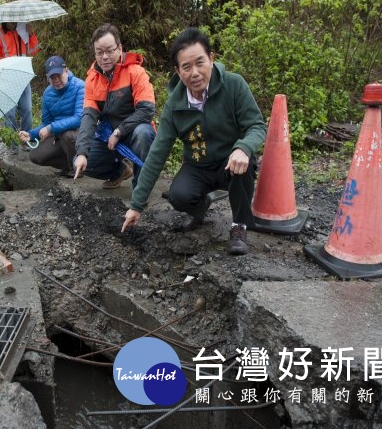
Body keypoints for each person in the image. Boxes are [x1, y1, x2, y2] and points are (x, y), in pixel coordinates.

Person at [121, 28, 266, 256]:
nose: (195, 73)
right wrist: (136, 205)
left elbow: (257, 126)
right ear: (178, 71)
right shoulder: (174, 106)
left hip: (231, 162)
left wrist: (244, 148)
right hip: (198, 165)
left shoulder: (233, 85)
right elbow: (157, 155)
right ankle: (200, 210)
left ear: (211, 58)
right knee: (178, 195)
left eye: (200, 63)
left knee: (242, 168)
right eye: (186, 67)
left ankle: (239, 226)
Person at [73, 23, 156, 188]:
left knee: (143, 133)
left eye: (110, 50)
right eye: (99, 52)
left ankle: (141, 187)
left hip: (133, 132)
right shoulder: (92, 79)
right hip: (107, 135)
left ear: (119, 48)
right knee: (80, 161)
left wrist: (119, 132)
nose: (105, 57)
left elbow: (147, 110)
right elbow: (89, 116)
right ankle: (119, 171)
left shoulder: (135, 72)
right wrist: (82, 152)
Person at [18, 56, 85, 175]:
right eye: (52, 78)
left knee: (67, 135)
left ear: (66, 70)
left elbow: (79, 118)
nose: (56, 80)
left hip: (78, 133)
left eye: (58, 75)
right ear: (47, 78)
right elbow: (46, 122)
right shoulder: (48, 94)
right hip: (58, 136)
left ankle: (77, 168)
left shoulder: (80, 86)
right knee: (35, 156)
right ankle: (71, 166)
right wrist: (31, 134)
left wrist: (51, 128)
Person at [0, 22, 40, 133]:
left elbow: (33, 50)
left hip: (23, 77)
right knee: (9, 114)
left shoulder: (23, 29)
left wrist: (31, 35)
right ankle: (12, 146)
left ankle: (26, 139)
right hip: (7, 80)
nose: (14, 23)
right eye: (11, 21)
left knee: (27, 110)